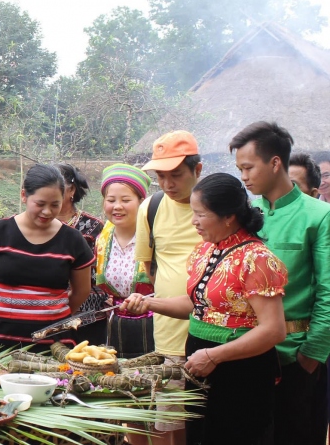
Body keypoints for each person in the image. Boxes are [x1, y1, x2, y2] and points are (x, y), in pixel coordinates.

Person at [122, 173, 287, 445]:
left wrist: (214, 356)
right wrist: (150, 303)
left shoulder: (256, 259)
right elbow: (198, 304)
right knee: (199, 436)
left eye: (201, 214)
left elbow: (273, 330)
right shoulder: (205, 251)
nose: (193, 221)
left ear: (229, 216)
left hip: (240, 368)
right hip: (200, 358)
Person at [229, 122, 330, 445]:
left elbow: (328, 293)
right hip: (246, 354)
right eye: (239, 169)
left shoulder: (319, 216)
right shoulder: (245, 215)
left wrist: (310, 357)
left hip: (296, 356)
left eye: (248, 167)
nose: (243, 177)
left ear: (275, 163)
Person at [0, 164, 93, 353]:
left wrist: (54, 317)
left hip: (54, 345)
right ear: (24, 196)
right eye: (40, 204)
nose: (47, 211)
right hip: (0, 342)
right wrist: (0, 313)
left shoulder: (73, 240)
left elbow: (82, 291)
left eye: (55, 204)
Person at [135, 130, 203, 444]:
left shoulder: (223, 206)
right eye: (161, 177)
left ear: (197, 170)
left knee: (211, 422)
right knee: (170, 424)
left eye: (175, 175)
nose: (167, 184)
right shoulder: (151, 207)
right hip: (169, 339)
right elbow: (149, 268)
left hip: (217, 336)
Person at [95, 164, 154, 359]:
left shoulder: (155, 237)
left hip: (154, 323)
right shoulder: (103, 237)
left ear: (141, 201)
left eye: (126, 200)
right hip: (115, 324)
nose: (117, 206)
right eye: (111, 200)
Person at [55, 163, 106, 344]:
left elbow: (102, 269)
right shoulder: (36, 225)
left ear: (71, 191)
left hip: (88, 315)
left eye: (58, 186)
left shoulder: (94, 226)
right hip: (48, 311)